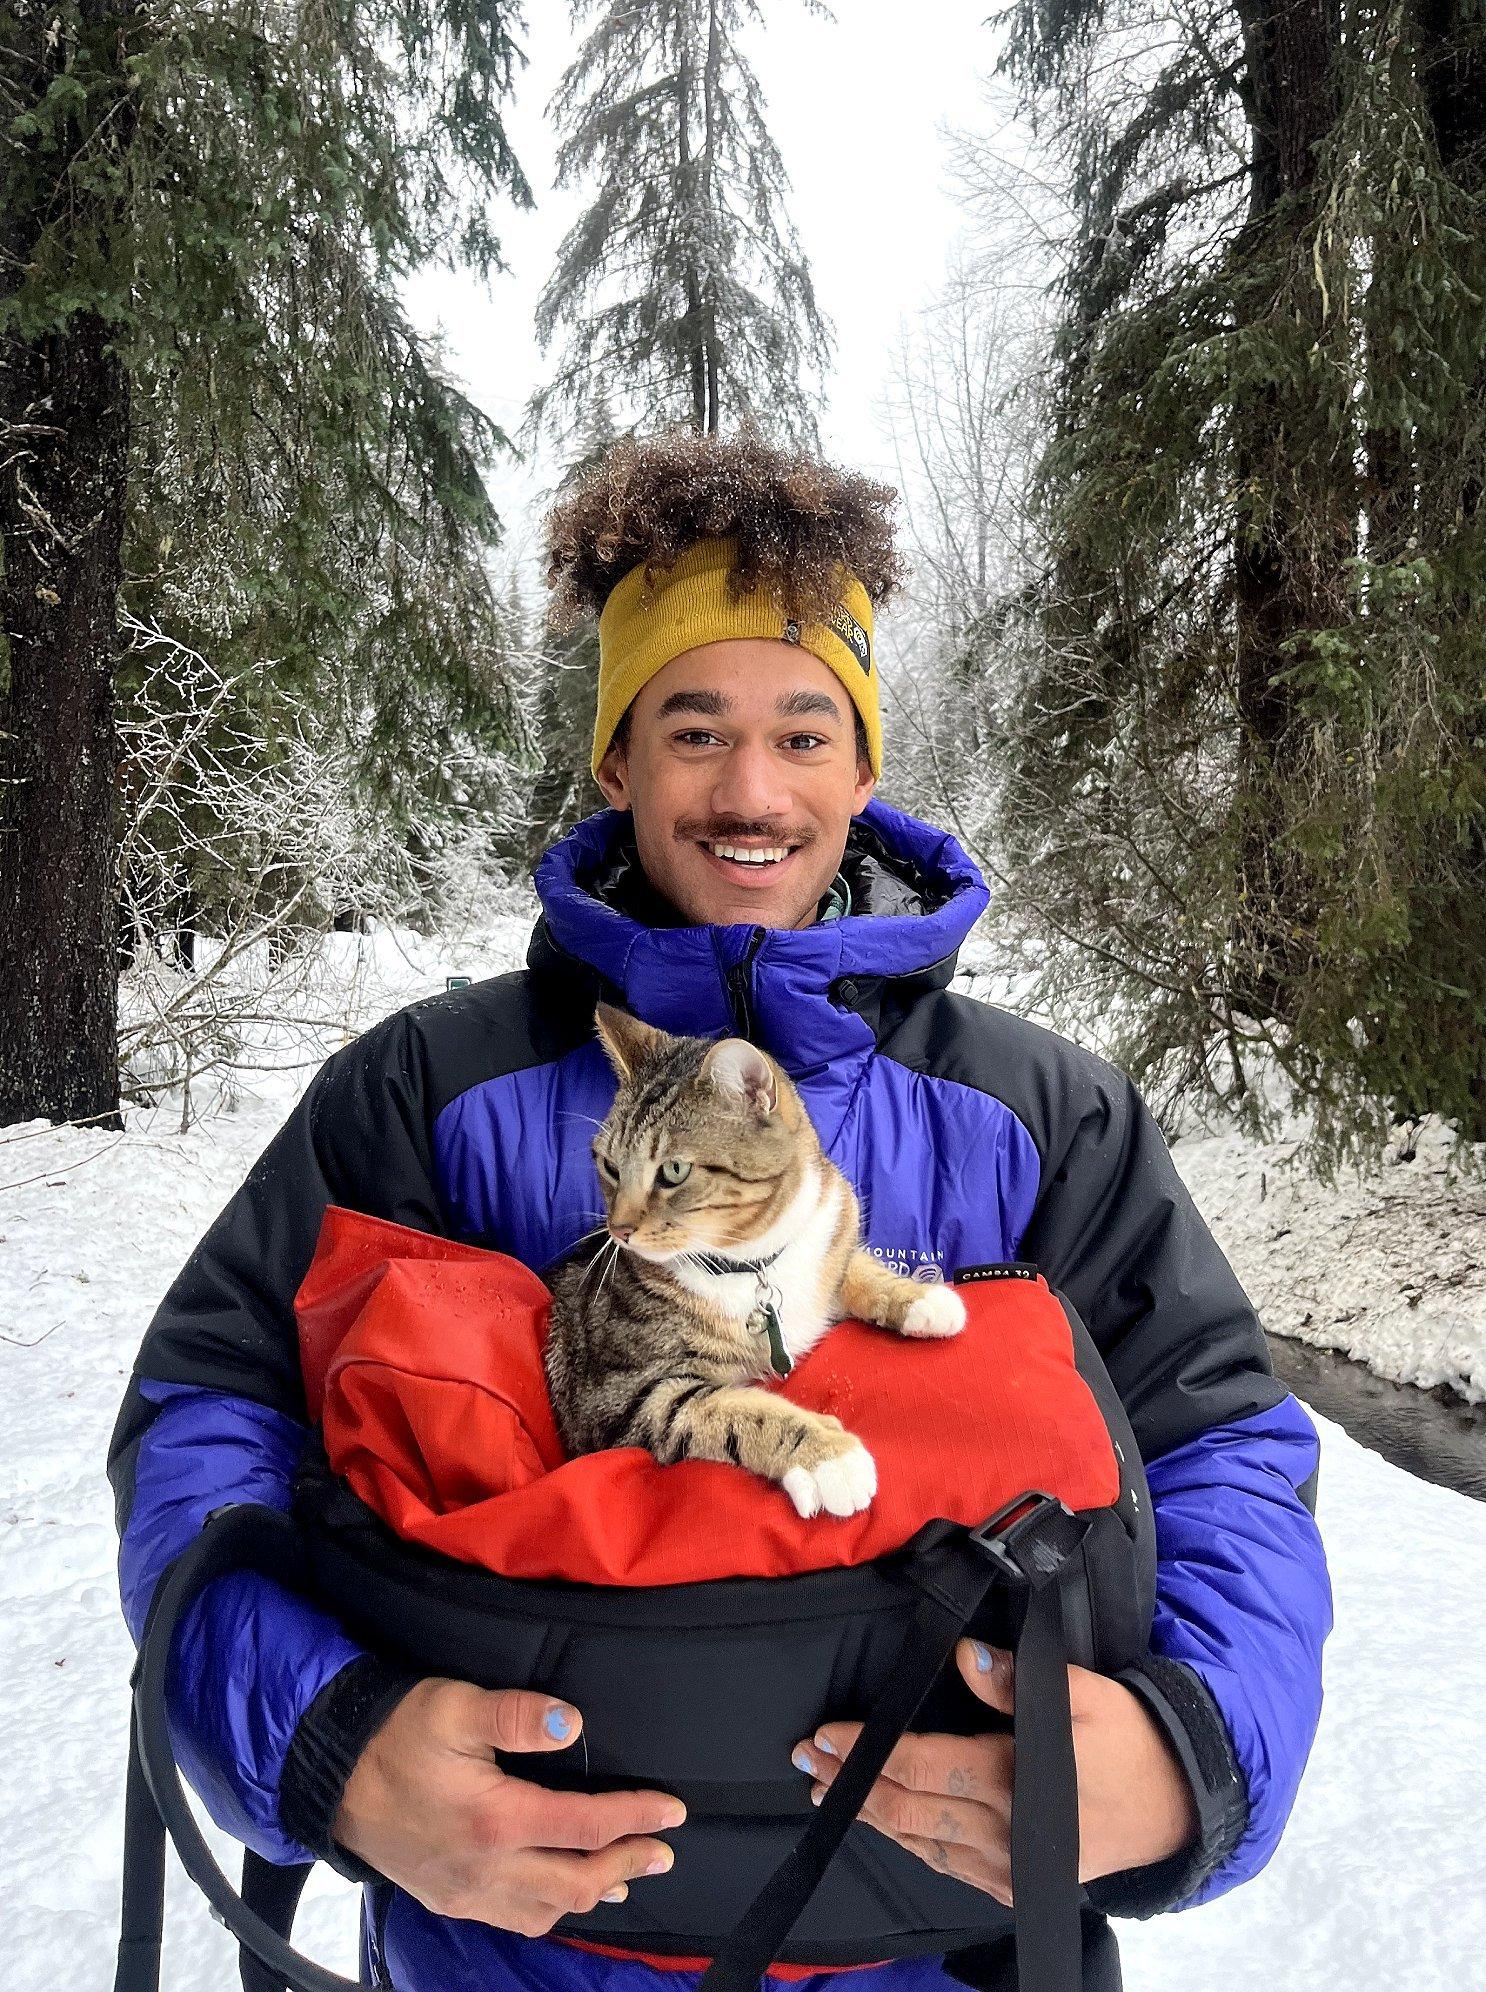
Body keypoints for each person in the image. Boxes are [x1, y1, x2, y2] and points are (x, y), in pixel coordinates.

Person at [108, 426, 1332, 1992]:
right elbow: (211, 1416)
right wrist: (324, 1740)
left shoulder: (1038, 1115)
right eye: (693, 731)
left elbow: (1218, 1440)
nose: (749, 791)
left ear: (863, 771)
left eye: (803, 734)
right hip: (508, 1958)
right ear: (616, 762)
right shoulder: (428, 1089)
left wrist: (1194, 1747)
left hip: (951, 1955)